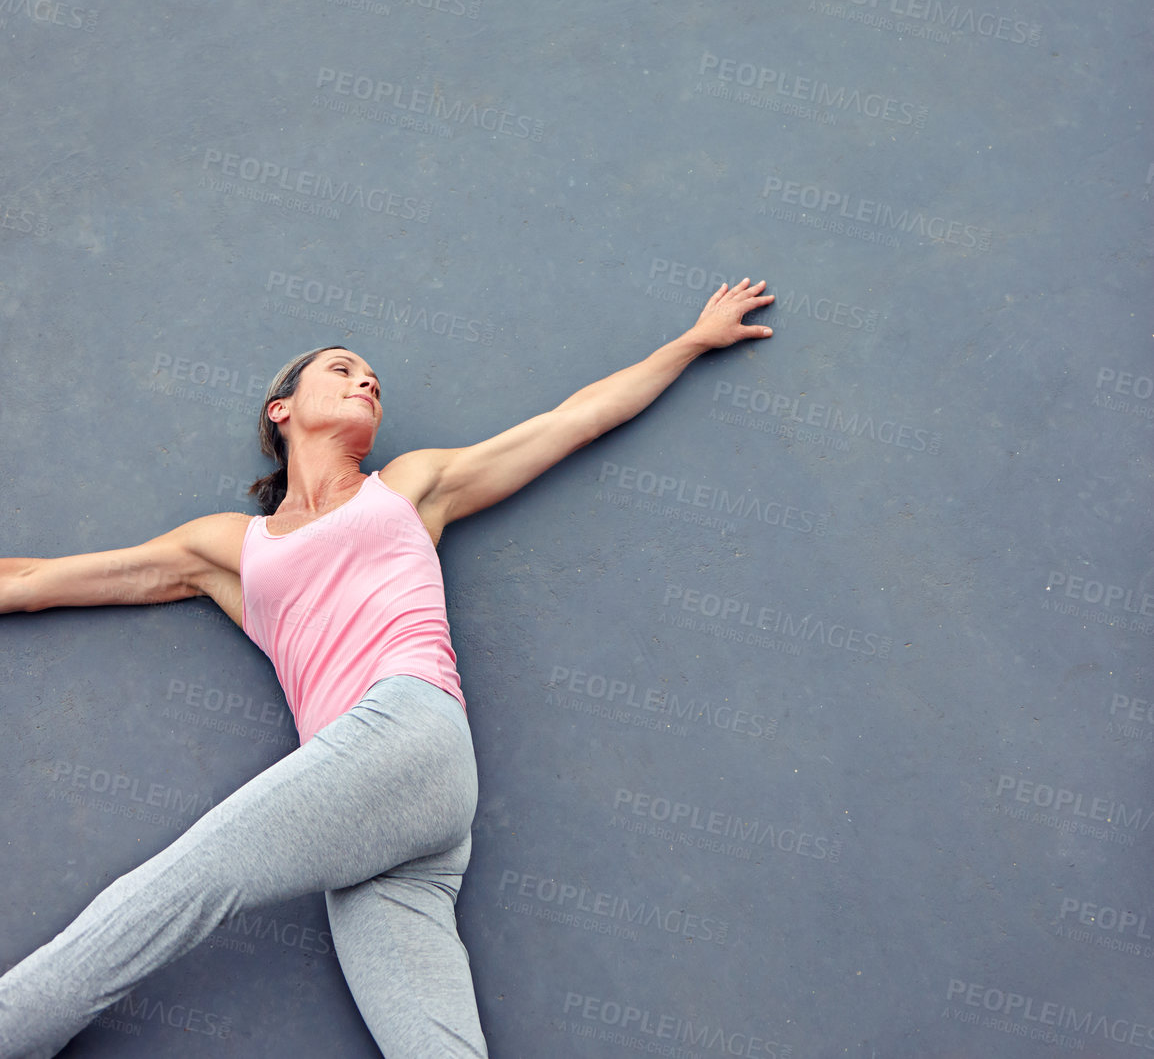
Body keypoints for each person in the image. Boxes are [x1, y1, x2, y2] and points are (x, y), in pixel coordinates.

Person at [0, 279, 774, 1059]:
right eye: (341, 369)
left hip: (405, 729)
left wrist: (690, 341)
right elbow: (33, 582)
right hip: (393, 823)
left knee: (175, 888)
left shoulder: (407, 488)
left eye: (371, 376)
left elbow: (575, 419)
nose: (366, 379)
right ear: (282, 408)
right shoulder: (231, 548)